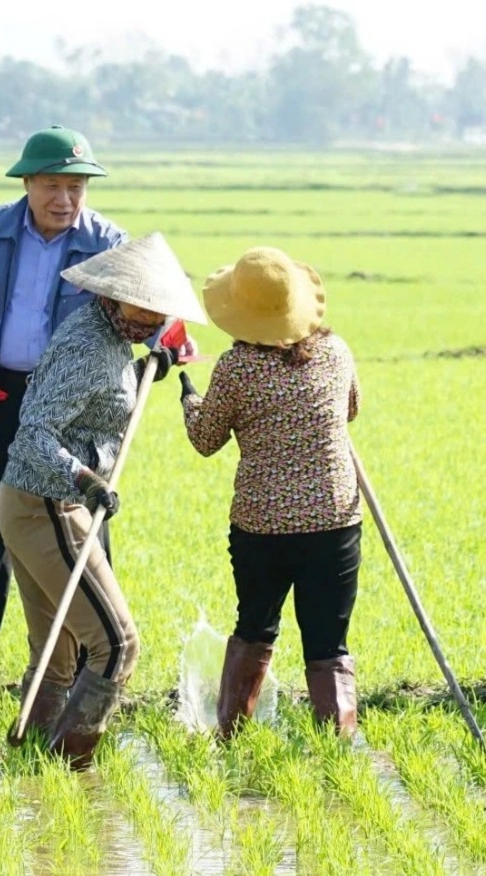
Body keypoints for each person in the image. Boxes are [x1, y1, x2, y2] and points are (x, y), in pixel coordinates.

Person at [0, 125, 128, 709]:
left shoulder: (109, 243)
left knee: (82, 539)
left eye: (76, 187)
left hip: (71, 412)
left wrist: (163, 339)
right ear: (27, 182)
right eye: (53, 186)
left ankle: (90, 678)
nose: (65, 199)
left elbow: (143, 315)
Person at [0, 232, 205, 768]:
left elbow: (98, 400)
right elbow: (34, 433)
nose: (149, 320)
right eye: (141, 308)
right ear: (112, 298)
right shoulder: (90, 345)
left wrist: (144, 371)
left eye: (157, 311)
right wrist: (85, 479)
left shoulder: (111, 340)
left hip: (28, 501)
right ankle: (72, 765)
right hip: (46, 503)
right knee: (117, 645)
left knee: (59, 653)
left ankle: (32, 767)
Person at [180, 247, 362, 740]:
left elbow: (205, 440)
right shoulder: (336, 352)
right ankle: (337, 743)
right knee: (329, 642)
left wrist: (189, 400)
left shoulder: (237, 368)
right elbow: (349, 411)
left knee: (255, 626)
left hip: (262, 526)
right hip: (334, 519)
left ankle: (232, 733)